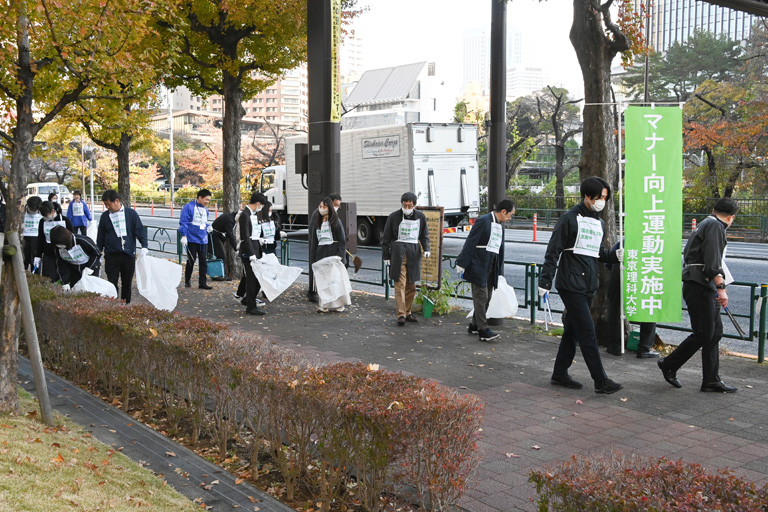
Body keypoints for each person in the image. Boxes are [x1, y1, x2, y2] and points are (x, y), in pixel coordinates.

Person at [538, 177, 623, 395]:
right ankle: (601, 381)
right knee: (587, 331)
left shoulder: (599, 222)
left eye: (605, 197)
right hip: (570, 283)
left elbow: (599, 254)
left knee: (573, 331)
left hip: (588, 283)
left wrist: (615, 256)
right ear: (587, 196)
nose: (602, 201)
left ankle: (559, 373)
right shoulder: (568, 219)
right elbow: (553, 250)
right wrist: (545, 281)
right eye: (599, 197)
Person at [657, 198, 739, 393]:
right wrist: (721, 287)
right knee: (704, 333)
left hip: (698, 283)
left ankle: (711, 379)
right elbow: (713, 261)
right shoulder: (715, 226)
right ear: (731, 217)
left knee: (715, 332)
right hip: (702, 284)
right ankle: (669, 364)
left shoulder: (706, 223)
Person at [456, 199, 515, 342]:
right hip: (478, 264)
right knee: (481, 297)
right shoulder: (484, 221)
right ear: (503, 212)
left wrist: (500, 272)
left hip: (491, 266)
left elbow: (500, 249)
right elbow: (471, 241)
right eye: (510, 215)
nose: (510, 218)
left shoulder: (500, 226)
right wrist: (462, 263)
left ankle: (474, 325)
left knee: (487, 297)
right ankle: (483, 329)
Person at [381, 192, 430, 326]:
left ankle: (408, 312)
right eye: (405, 204)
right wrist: (386, 256)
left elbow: (424, 235)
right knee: (399, 284)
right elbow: (386, 238)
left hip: (414, 254)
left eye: (410, 205)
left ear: (414, 205)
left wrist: (427, 249)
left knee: (411, 285)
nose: (407, 207)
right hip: (398, 254)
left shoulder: (420, 217)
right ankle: (401, 314)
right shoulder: (394, 216)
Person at [605, 239, 659, 359]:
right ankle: (644, 347)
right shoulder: (653, 240)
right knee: (649, 304)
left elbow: (610, 259)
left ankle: (615, 346)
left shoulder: (627, 238)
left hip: (619, 268)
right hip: (644, 268)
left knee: (615, 307)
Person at [96, 189, 149, 303]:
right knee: (112, 282)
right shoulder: (105, 217)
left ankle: (125, 304)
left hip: (128, 254)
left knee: (127, 282)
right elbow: (100, 237)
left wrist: (144, 246)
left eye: (108, 204)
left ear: (117, 201)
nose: (107, 207)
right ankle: (113, 303)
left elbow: (139, 230)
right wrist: (98, 253)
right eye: (105, 205)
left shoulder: (131, 214)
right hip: (111, 255)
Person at [309, 196, 347, 313]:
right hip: (321, 253)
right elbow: (314, 241)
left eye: (324, 207)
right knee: (322, 280)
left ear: (329, 208)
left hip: (332, 253)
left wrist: (340, 256)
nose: (322, 209)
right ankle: (323, 304)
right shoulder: (317, 222)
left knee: (334, 280)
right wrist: (313, 257)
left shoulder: (336, 222)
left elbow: (342, 239)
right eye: (320, 207)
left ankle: (338, 304)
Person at [237, 193, 268, 315]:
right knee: (251, 279)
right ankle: (251, 306)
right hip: (249, 252)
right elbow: (245, 236)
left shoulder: (252, 214)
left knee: (257, 278)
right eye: (261, 205)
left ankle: (249, 300)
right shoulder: (245, 215)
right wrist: (250, 253)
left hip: (255, 249)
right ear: (258, 204)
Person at [179, 189, 213, 289]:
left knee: (203, 261)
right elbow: (183, 222)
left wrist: (208, 226)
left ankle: (202, 283)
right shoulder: (188, 207)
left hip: (203, 239)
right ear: (200, 197)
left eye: (209, 200)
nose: (207, 202)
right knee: (191, 260)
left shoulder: (205, 210)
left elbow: (202, 222)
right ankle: (187, 280)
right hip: (192, 238)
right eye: (206, 200)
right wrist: (184, 236)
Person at [35, 201, 73, 283]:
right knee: (48, 280)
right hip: (48, 255)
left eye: (46, 216)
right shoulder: (42, 222)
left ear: (52, 211)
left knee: (64, 278)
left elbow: (73, 238)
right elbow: (40, 239)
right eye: (43, 216)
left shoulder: (65, 221)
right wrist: (38, 255)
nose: (45, 218)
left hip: (64, 255)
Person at [210, 209, 240, 280]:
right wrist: (236, 248)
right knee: (221, 255)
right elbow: (230, 235)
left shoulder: (230, 217)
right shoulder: (230, 220)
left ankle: (219, 275)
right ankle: (219, 275)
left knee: (219, 255)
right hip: (215, 235)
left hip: (218, 235)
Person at [23, 196, 43, 271]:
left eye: (35, 210)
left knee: (36, 264)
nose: (33, 211)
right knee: (23, 262)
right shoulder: (22, 212)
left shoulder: (42, 212)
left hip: (37, 240)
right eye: (32, 209)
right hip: (24, 239)